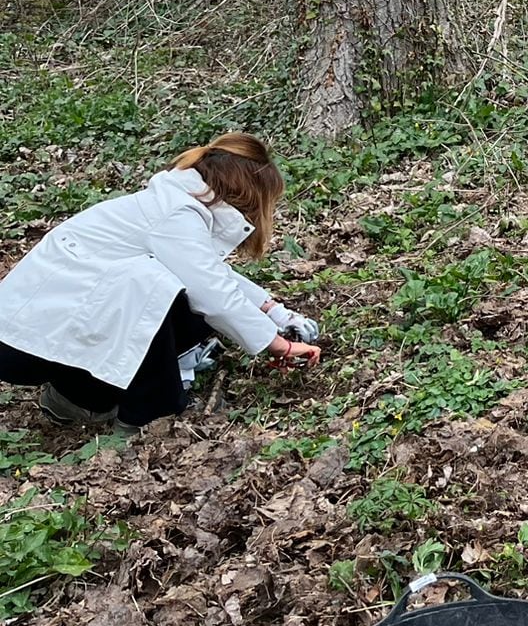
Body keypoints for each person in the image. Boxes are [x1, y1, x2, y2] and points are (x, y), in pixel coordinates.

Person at [0, 134, 322, 432]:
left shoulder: (171, 205)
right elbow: (211, 291)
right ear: (250, 194)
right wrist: (280, 345)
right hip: (24, 342)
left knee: (171, 297)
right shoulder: (176, 214)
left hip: (36, 332)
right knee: (158, 291)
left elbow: (207, 272)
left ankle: (80, 399)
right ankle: (150, 414)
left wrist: (274, 312)